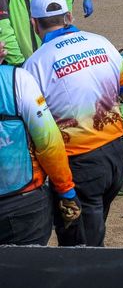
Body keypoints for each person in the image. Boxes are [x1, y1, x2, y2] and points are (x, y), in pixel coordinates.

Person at [23, 0, 123, 246]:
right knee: (94, 230)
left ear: (33, 23)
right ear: (68, 16)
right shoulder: (102, 43)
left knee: (81, 250)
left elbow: (32, 127)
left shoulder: (34, 65)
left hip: (77, 166)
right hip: (114, 157)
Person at [0, 40, 79, 245]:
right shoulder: (18, 80)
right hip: (22, 205)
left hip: (21, 205)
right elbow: (49, 142)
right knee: (26, 274)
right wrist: (66, 190)